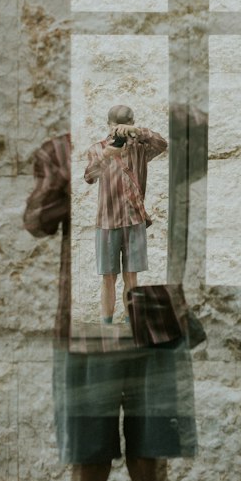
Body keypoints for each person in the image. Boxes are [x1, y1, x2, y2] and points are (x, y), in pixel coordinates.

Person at [23, 107, 197, 481]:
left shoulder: (163, 139)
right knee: (87, 463)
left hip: (154, 325)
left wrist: (152, 124)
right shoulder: (66, 149)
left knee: (151, 462)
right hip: (87, 337)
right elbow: (37, 220)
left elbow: (205, 139)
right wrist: (81, 166)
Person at [85, 102, 167, 325]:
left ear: (130, 124)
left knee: (132, 276)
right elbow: (89, 176)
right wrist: (107, 154)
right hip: (107, 221)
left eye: (124, 126)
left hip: (134, 220)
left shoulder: (140, 148)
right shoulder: (97, 148)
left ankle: (132, 323)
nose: (119, 131)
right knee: (108, 277)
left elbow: (162, 144)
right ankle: (106, 325)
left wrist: (139, 132)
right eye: (116, 127)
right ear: (108, 125)